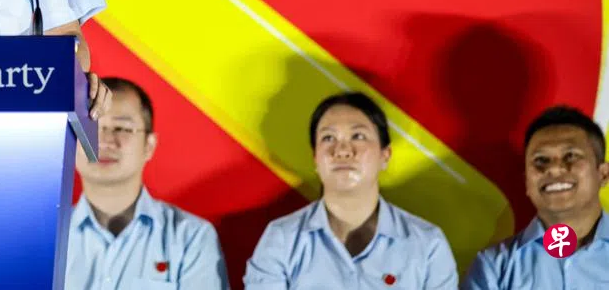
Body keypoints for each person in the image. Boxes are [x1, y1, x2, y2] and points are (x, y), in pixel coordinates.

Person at [244, 92, 457, 289]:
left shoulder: (427, 244)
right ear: (315, 158)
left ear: (385, 155)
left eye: (358, 136)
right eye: (328, 138)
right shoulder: (282, 239)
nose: (343, 150)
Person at [66, 77, 228, 288]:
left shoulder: (190, 237)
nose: (103, 141)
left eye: (121, 128)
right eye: (90, 127)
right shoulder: (43, 238)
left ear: (149, 145)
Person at [462, 105, 609, 289]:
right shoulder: (494, 267)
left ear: (603, 174)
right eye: (540, 160)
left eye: (571, 156)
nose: (554, 168)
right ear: (527, 182)